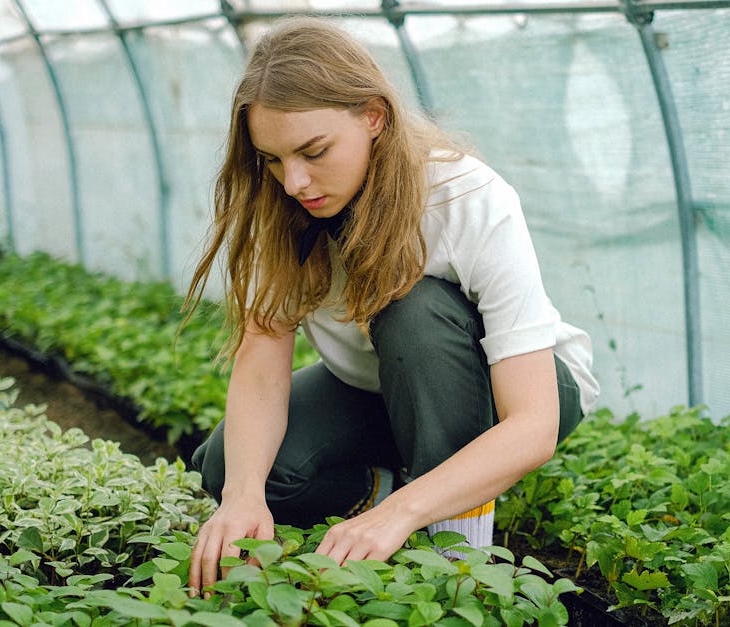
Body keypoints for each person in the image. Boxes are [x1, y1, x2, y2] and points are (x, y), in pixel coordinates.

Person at [183, 17, 599, 595]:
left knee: (413, 308)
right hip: (378, 389)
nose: (295, 181)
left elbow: (534, 423)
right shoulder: (278, 209)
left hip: (512, 396)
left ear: (374, 116)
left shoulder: (466, 197)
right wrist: (242, 499)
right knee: (229, 468)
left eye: (314, 151)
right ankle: (391, 484)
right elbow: (261, 360)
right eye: (273, 159)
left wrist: (401, 517)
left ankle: (457, 548)